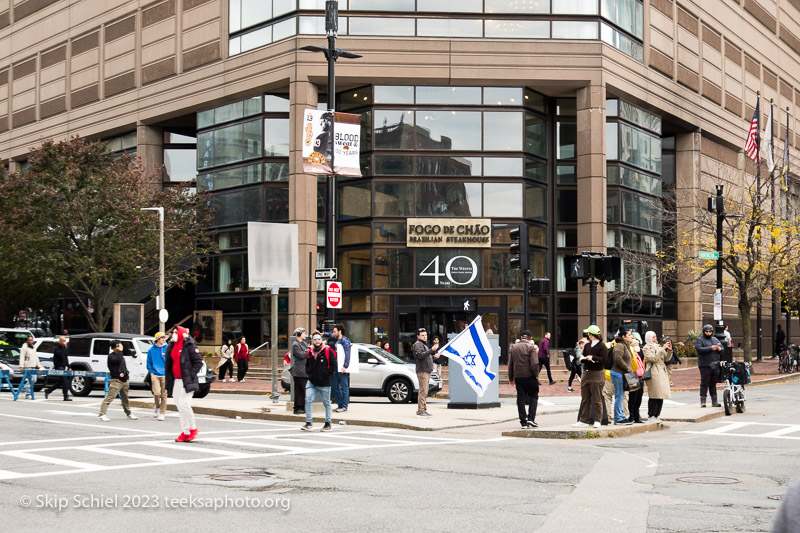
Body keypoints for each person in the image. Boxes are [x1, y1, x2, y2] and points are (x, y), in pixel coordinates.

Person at [166, 326, 203, 442]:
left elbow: (198, 362)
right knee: (180, 407)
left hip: (186, 381)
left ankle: (192, 428)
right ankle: (185, 431)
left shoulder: (189, 345)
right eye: (173, 332)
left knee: (184, 404)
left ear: (181, 333)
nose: (174, 334)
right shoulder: (172, 345)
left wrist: (191, 375)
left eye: (176, 332)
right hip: (175, 380)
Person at [302, 331, 337, 432]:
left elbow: (334, 365)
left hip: (324, 382)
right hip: (312, 381)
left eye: (318, 339)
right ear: (312, 341)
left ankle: (328, 423)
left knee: (326, 403)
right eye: (315, 339)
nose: (317, 341)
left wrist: (326, 374)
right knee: (308, 399)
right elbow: (307, 364)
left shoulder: (327, 350)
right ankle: (308, 422)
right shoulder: (310, 351)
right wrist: (309, 374)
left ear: (321, 340)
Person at [574, 325, 607, 428]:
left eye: (588, 333)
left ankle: (598, 420)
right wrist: (582, 358)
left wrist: (593, 357)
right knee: (585, 398)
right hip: (586, 373)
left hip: (597, 373)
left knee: (597, 398)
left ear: (592, 335)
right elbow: (583, 356)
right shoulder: (587, 345)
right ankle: (583, 420)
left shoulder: (602, 346)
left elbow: (603, 359)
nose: (587, 335)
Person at [98, 341, 137, 422]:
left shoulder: (121, 356)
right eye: (118, 346)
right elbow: (118, 360)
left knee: (125, 398)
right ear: (114, 347)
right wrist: (121, 350)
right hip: (116, 380)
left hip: (124, 379)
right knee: (110, 397)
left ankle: (129, 413)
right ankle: (102, 414)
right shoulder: (111, 356)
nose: (119, 348)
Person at [508, 329, 540, 429]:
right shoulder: (531, 347)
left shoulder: (514, 347)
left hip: (518, 376)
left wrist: (511, 377)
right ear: (530, 338)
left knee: (520, 398)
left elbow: (510, 364)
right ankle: (531, 418)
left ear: (521, 337)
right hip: (529, 376)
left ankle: (523, 422)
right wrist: (536, 374)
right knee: (534, 396)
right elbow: (534, 363)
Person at [643, 331, 671, 422]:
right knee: (654, 394)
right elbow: (652, 358)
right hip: (653, 372)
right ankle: (651, 415)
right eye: (653, 337)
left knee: (661, 394)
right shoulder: (646, 348)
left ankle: (657, 414)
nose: (655, 339)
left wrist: (669, 350)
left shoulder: (658, 347)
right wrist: (662, 349)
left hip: (662, 371)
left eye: (655, 337)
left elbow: (666, 358)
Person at [412, 328, 440, 417]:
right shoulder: (418, 344)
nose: (424, 337)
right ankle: (421, 411)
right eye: (422, 335)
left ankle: (423, 410)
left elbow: (426, 356)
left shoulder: (422, 344)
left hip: (426, 370)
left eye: (425, 335)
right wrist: (432, 350)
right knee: (423, 391)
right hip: (422, 371)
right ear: (418, 336)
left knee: (425, 391)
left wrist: (434, 356)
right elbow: (420, 355)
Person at [695, 324, 723, 408]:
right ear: (704, 331)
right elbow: (699, 349)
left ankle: (714, 401)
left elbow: (722, 348)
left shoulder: (715, 339)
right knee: (704, 383)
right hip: (705, 365)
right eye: (706, 331)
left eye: (710, 331)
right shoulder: (700, 340)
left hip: (715, 364)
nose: (708, 333)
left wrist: (719, 349)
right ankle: (703, 401)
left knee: (713, 383)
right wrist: (711, 348)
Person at [609, 329, 633, 425]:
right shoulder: (619, 345)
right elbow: (617, 359)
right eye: (629, 335)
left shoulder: (626, 345)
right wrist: (626, 368)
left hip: (622, 374)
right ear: (623, 336)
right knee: (619, 396)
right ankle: (618, 418)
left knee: (622, 395)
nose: (632, 336)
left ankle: (622, 416)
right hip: (617, 373)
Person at [147, 332, 168, 421]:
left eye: (164, 338)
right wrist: (151, 373)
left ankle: (162, 412)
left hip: (165, 374)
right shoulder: (151, 350)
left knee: (164, 395)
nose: (163, 339)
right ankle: (157, 406)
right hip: (155, 374)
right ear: (157, 339)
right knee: (156, 393)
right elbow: (148, 362)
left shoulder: (167, 348)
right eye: (162, 338)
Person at [44, 336, 72, 401]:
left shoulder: (64, 348)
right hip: (59, 367)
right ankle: (66, 396)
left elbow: (65, 357)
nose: (65, 342)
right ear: (60, 341)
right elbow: (60, 354)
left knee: (60, 382)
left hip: (64, 366)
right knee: (65, 381)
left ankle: (48, 391)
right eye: (63, 341)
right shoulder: (56, 348)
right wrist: (63, 348)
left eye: (65, 341)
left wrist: (69, 366)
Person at [332, 324, 351, 413]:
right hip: (337, 366)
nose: (333, 333)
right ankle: (340, 404)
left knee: (344, 387)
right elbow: (330, 335)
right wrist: (322, 333)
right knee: (335, 386)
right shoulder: (338, 340)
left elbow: (347, 354)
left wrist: (345, 366)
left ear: (339, 331)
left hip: (341, 367)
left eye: (335, 331)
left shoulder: (344, 341)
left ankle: (344, 405)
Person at [290, 327, 308, 415]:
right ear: (298, 334)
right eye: (303, 333)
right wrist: (308, 349)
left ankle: (303, 407)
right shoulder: (295, 345)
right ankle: (298, 408)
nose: (305, 335)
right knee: (299, 390)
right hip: (299, 371)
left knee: (304, 390)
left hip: (305, 370)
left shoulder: (304, 343)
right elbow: (301, 355)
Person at [627, 334, 645, 423]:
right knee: (633, 396)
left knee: (639, 396)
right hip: (633, 375)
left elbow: (642, 357)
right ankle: (632, 416)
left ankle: (637, 416)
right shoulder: (629, 351)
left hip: (640, 376)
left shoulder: (639, 353)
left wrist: (638, 350)